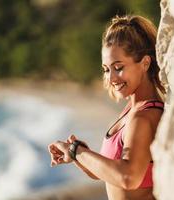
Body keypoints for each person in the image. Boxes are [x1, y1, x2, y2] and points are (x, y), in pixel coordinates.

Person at [48, 14, 166, 200]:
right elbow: (108, 174)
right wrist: (78, 155)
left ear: (145, 63)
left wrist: (77, 151)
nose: (111, 78)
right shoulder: (130, 111)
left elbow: (128, 178)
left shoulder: (143, 116)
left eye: (118, 67)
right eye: (106, 69)